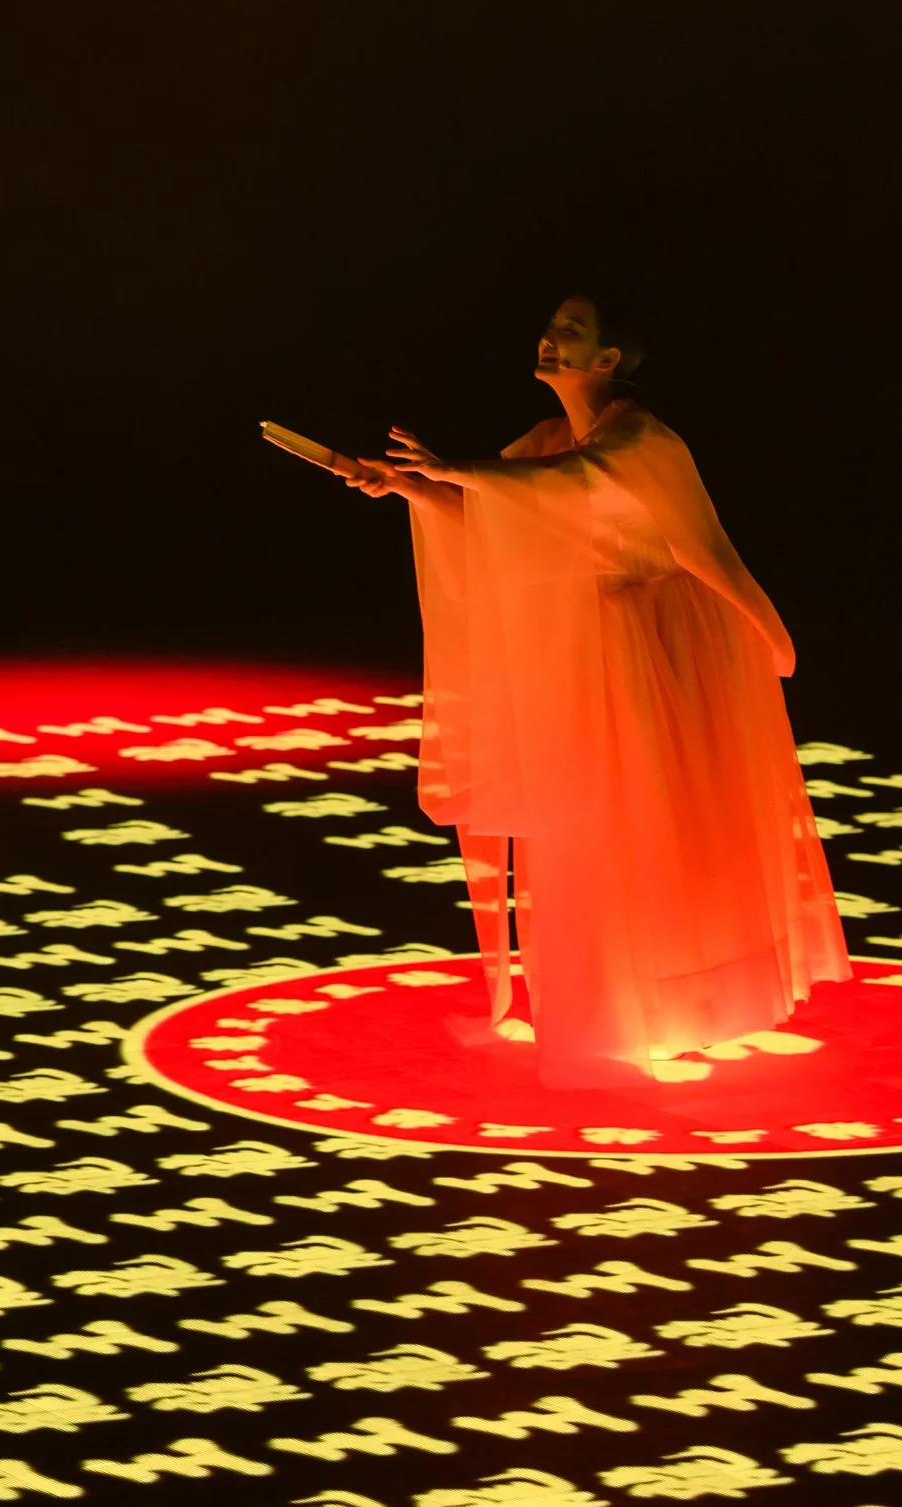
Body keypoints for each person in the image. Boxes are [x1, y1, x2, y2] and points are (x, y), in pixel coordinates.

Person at [326, 295, 849, 1087]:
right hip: (584, 646)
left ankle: (687, 1001)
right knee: (586, 828)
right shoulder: (540, 440)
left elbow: (572, 486)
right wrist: (409, 488)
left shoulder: (640, 437)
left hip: (657, 643)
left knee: (659, 822)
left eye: (571, 330)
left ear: (609, 360)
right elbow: (493, 513)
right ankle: (609, 1007)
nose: (549, 336)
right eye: (551, 324)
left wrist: (772, 634)